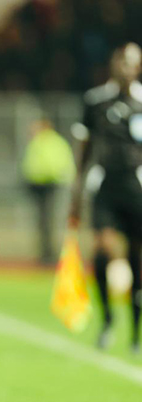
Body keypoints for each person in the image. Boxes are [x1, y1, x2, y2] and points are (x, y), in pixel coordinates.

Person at [69, 42, 142, 352]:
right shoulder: (96, 100)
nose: (127, 67)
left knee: (137, 259)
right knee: (101, 250)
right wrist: (76, 190)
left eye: (133, 62)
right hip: (106, 185)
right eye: (123, 61)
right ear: (114, 64)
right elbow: (84, 149)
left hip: (137, 186)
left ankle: (136, 332)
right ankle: (108, 320)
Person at [21, 118, 75, 264]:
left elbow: (56, 164)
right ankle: (46, 253)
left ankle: (50, 254)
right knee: (43, 222)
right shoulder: (42, 142)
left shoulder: (51, 142)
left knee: (48, 221)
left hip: (50, 186)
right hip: (38, 186)